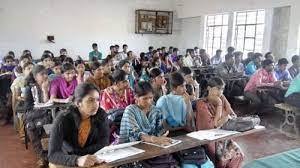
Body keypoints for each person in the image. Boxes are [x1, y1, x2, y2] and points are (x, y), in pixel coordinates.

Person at [48, 83, 109, 167]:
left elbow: (104, 142)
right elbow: (53, 154)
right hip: (67, 159)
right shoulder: (63, 119)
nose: (96, 104)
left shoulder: (101, 115)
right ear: (78, 103)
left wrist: (84, 156)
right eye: (90, 100)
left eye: (98, 99)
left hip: (91, 158)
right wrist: (77, 159)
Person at [196, 77, 244, 168]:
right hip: (209, 139)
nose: (220, 92)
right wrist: (219, 105)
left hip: (223, 136)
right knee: (222, 159)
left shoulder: (222, 97)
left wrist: (224, 118)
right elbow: (213, 125)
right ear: (209, 88)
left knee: (239, 154)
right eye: (217, 89)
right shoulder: (201, 103)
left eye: (222, 89)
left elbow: (233, 115)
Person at [23, 65, 50, 167]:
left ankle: (50, 154)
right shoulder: (29, 88)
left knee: (49, 123)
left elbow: (50, 102)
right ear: (35, 76)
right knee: (32, 127)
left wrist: (45, 90)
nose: (45, 76)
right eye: (42, 74)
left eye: (46, 73)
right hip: (33, 114)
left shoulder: (50, 85)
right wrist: (40, 110)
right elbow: (28, 107)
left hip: (47, 112)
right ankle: (42, 157)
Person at [10, 62, 34, 137]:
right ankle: (23, 133)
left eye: (32, 68)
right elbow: (17, 96)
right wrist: (24, 98)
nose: (31, 70)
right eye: (28, 68)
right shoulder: (19, 80)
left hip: (35, 102)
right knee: (23, 112)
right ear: (23, 71)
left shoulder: (36, 79)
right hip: (23, 102)